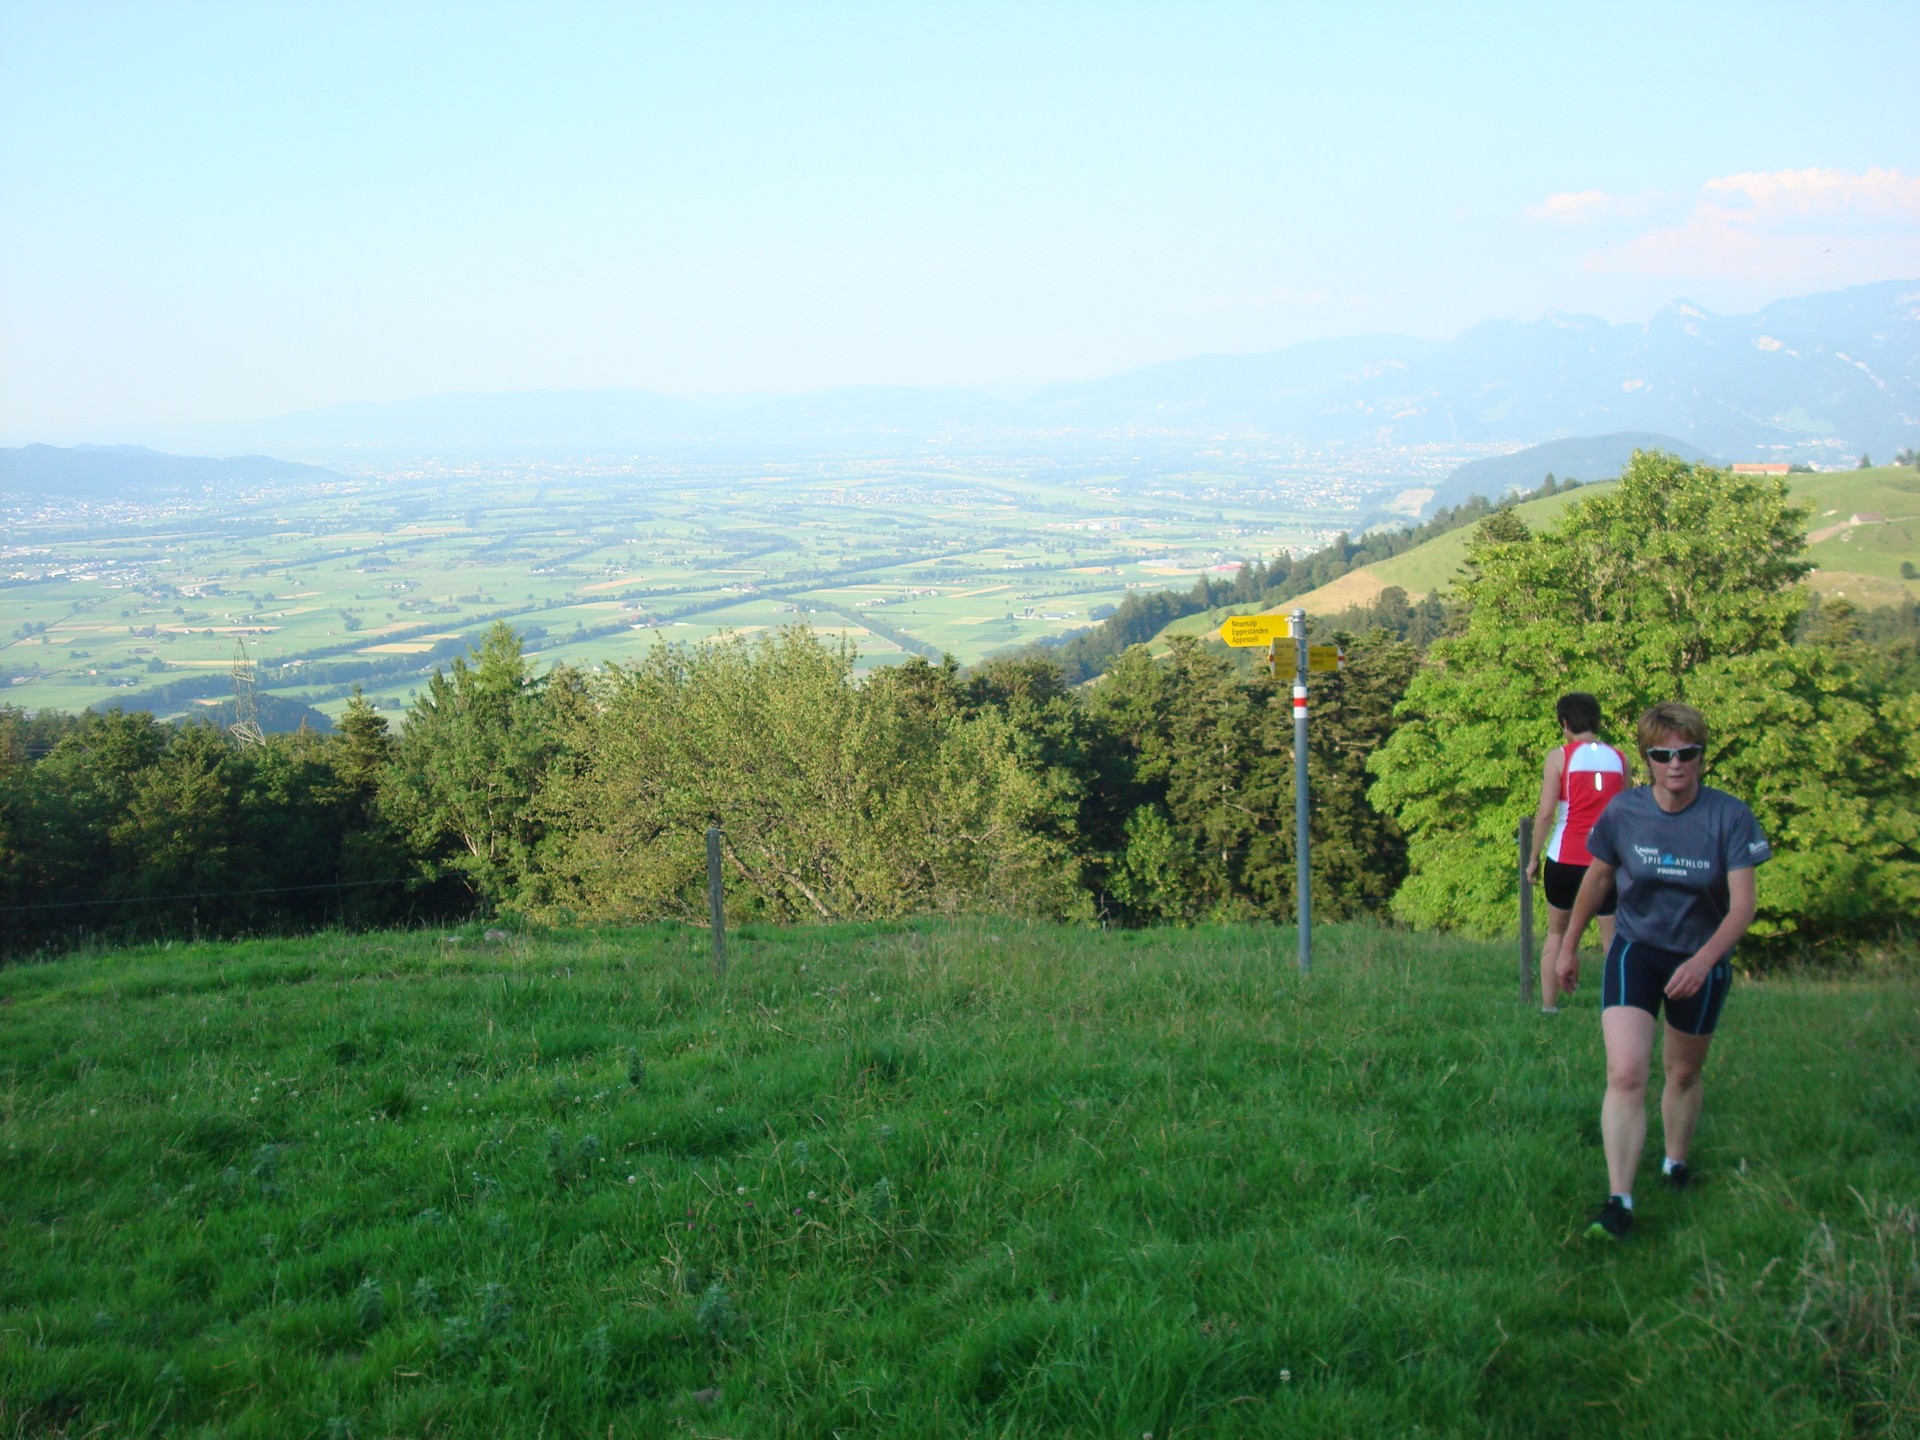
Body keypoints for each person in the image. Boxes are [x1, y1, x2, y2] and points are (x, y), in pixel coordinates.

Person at [1558, 701, 1771, 1240]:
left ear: (1701, 756)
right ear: (1647, 760)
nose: (1675, 764)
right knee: (1626, 1072)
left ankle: (1675, 1163)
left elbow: (1742, 906)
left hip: (1702, 956)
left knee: (1682, 1072)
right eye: (1662, 754)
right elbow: (1598, 879)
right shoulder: (1624, 813)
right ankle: (1620, 1202)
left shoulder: (1730, 816)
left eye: (1687, 753)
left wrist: (1703, 962)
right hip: (1636, 949)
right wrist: (1567, 945)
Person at [1524, 693, 1628, 1014]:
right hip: (1606, 862)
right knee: (1612, 940)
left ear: (1564, 723)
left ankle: (1548, 1008)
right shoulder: (1621, 758)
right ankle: (1617, 1008)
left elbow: (1545, 813)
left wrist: (1533, 857)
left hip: (1565, 859)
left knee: (1557, 933)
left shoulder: (1559, 757)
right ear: (1596, 721)